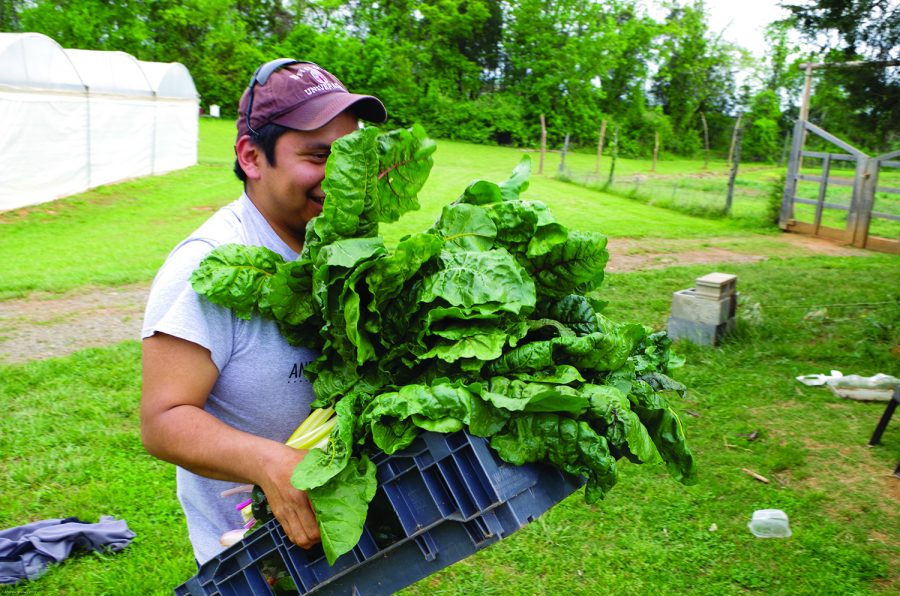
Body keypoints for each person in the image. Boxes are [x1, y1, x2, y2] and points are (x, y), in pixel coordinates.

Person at [140, 59, 387, 566]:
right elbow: (163, 420)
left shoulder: (341, 247)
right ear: (252, 157)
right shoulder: (207, 265)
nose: (341, 179)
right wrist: (270, 462)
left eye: (353, 158)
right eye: (318, 157)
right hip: (253, 553)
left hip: (334, 531)